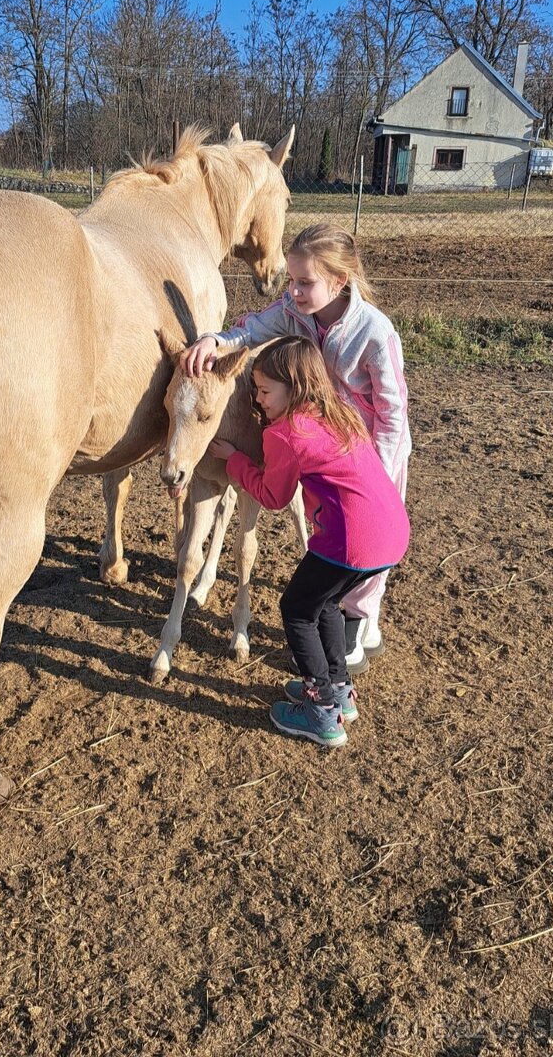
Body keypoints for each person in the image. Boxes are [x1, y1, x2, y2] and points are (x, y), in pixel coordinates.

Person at [182, 222, 410, 674]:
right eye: (291, 279)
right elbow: (252, 329)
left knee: (364, 538)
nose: (294, 291)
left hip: (370, 454)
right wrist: (216, 340)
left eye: (305, 282)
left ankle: (359, 622)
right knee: (335, 532)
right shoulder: (295, 310)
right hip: (325, 445)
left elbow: (393, 414)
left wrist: (379, 476)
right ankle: (350, 625)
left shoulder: (374, 332)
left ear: (339, 281)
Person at [208, 337, 410, 748]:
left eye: (265, 391)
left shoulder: (285, 434)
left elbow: (273, 496)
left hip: (350, 541)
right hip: (390, 535)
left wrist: (235, 461)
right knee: (326, 603)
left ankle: (321, 711)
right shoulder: (339, 414)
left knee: (297, 610)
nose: (258, 399)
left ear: (295, 387)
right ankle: (339, 690)